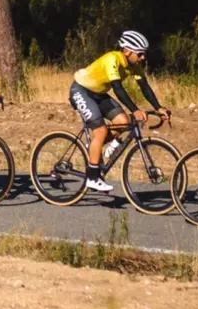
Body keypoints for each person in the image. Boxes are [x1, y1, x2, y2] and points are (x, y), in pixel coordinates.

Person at [71, 30, 170, 193]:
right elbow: (117, 88)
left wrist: (158, 108)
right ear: (127, 51)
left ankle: (94, 145)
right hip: (81, 90)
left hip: (99, 93)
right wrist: (135, 110)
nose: (142, 58)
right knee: (101, 131)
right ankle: (93, 177)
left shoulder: (135, 66)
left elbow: (144, 87)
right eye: (140, 54)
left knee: (123, 123)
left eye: (143, 54)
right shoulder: (112, 59)